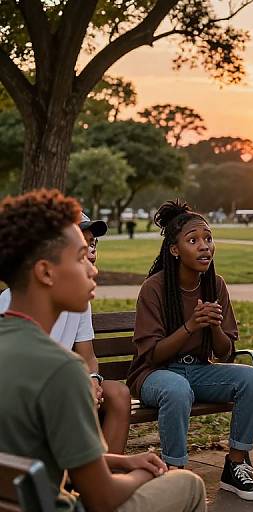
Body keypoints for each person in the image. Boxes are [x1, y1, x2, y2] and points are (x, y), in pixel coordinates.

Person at [0, 189, 206, 512]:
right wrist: (140, 473)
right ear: (45, 272)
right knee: (188, 484)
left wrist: (120, 460)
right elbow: (102, 498)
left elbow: (39, 451)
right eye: (81, 257)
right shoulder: (62, 370)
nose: (93, 268)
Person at [126, 200, 253, 501]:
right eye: (193, 240)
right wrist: (190, 326)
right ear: (175, 250)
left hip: (199, 371)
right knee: (176, 387)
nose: (204, 246)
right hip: (155, 375)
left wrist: (213, 326)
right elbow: (152, 355)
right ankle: (176, 476)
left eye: (208, 238)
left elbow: (226, 352)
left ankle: (236, 465)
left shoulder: (215, 285)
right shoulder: (154, 288)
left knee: (252, 379)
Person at [0, 212, 131, 454]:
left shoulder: (78, 299)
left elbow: (87, 357)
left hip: (61, 385)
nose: (92, 254)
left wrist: (92, 381)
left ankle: (107, 472)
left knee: (118, 394)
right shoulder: (11, 304)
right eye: (83, 248)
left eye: (93, 244)